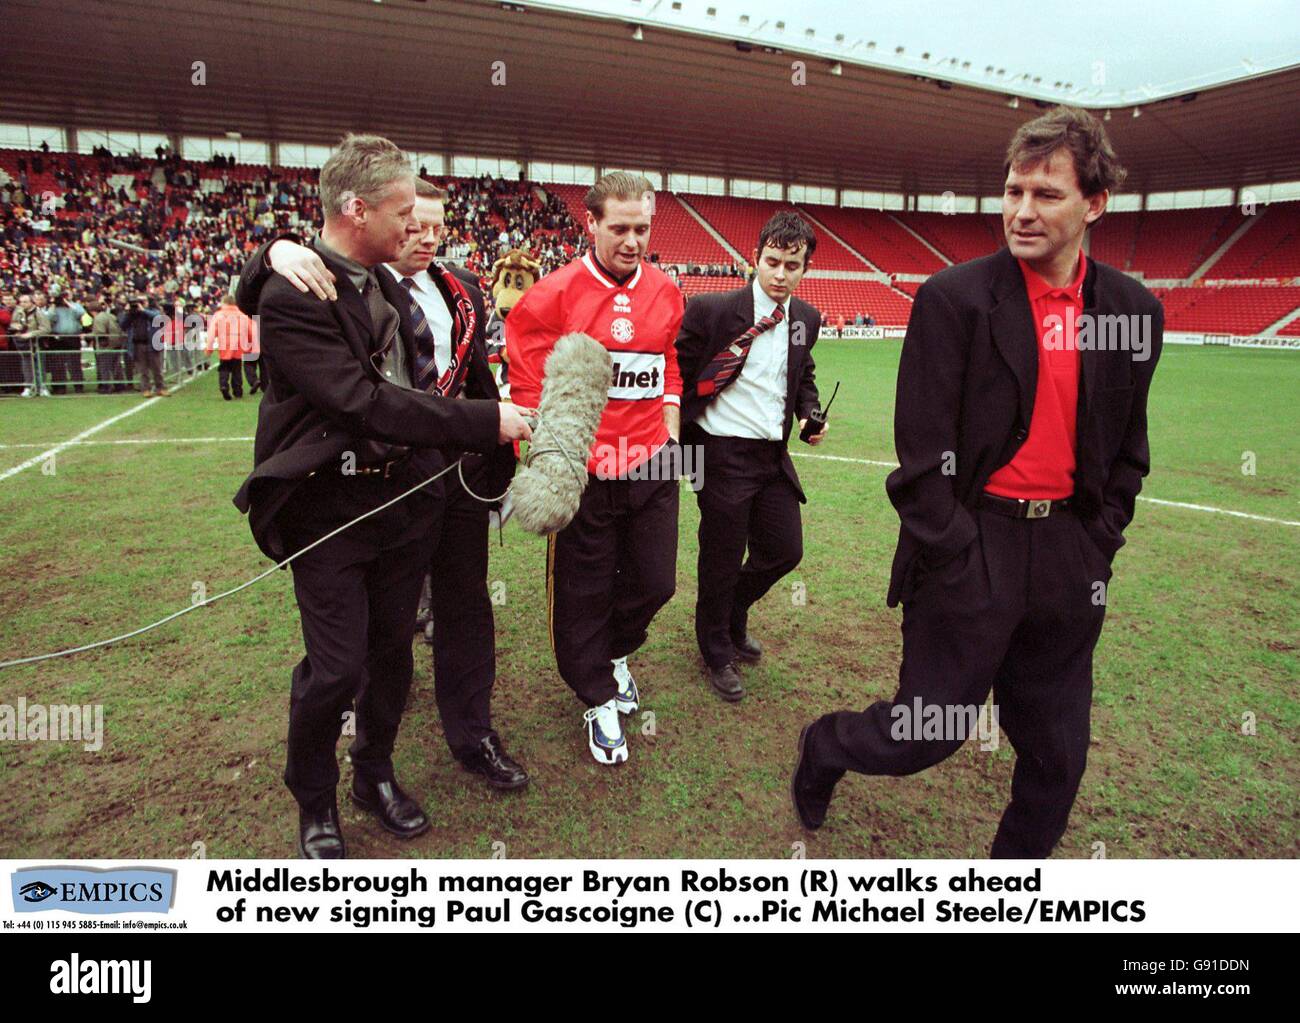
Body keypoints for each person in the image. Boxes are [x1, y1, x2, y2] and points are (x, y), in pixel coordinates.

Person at [791, 106, 1163, 858]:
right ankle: (825, 745)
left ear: (1095, 204)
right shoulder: (953, 300)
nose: (1022, 211)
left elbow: (1128, 450)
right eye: (1013, 190)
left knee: (1058, 756)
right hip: (972, 546)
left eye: (1046, 195)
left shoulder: (1133, 312)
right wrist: (959, 553)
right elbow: (922, 461)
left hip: (1068, 553)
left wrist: (1096, 544)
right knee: (924, 735)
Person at [231, 134, 533, 858]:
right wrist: (484, 423)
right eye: (403, 212)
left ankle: (373, 774)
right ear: (356, 208)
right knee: (337, 667)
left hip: (404, 504)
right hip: (328, 512)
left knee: (393, 651)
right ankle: (315, 798)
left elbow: (438, 368)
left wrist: (268, 245)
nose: (415, 228)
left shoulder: (390, 283)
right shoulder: (294, 291)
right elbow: (364, 403)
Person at [507, 171, 685, 766]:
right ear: (592, 224)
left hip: (651, 462)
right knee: (581, 592)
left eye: (642, 228)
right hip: (584, 472)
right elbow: (529, 384)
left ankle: (613, 653)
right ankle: (597, 696)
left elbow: (669, 362)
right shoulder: (551, 295)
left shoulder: (666, 290)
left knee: (656, 581)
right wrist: (546, 464)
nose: (633, 240)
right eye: (620, 228)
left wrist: (673, 420)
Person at [675, 211, 826, 701]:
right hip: (719, 453)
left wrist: (810, 413)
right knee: (720, 557)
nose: (781, 274)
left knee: (785, 550)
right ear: (755, 257)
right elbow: (678, 374)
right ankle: (716, 649)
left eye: (793, 265)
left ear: (805, 267)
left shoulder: (806, 320)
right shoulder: (712, 311)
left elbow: (802, 376)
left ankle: (730, 614)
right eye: (773, 261)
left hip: (770, 457)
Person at [205, 292, 257, 399]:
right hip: (238, 345)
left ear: (224, 303)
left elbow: (211, 333)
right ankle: (238, 391)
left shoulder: (218, 315)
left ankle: (224, 385)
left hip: (224, 345)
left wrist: (209, 348)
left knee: (224, 367)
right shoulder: (242, 316)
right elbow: (252, 331)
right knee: (236, 369)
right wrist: (253, 346)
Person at [120, 295, 167, 397]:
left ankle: (161, 387)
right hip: (138, 344)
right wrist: (127, 312)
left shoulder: (153, 311)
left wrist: (143, 310)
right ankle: (146, 389)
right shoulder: (132, 314)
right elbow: (122, 325)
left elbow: (158, 318)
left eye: (142, 301)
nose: (139, 304)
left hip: (152, 343)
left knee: (157, 368)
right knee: (143, 370)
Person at [10, 291, 51, 397]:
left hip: (37, 343)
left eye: (25, 302)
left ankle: (42, 387)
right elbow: (13, 323)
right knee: (26, 365)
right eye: (21, 302)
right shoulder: (18, 312)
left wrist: (31, 334)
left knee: (39, 365)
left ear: (31, 302)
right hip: (23, 344)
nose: (22, 304)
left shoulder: (39, 313)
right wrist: (16, 326)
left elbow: (46, 329)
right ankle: (28, 387)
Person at [90, 299, 127, 393]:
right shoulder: (111, 315)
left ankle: (107, 386)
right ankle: (120, 385)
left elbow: (100, 332)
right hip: (117, 343)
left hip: (106, 345)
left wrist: (87, 336)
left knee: (105, 367)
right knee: (116, 366)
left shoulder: (98, 318)